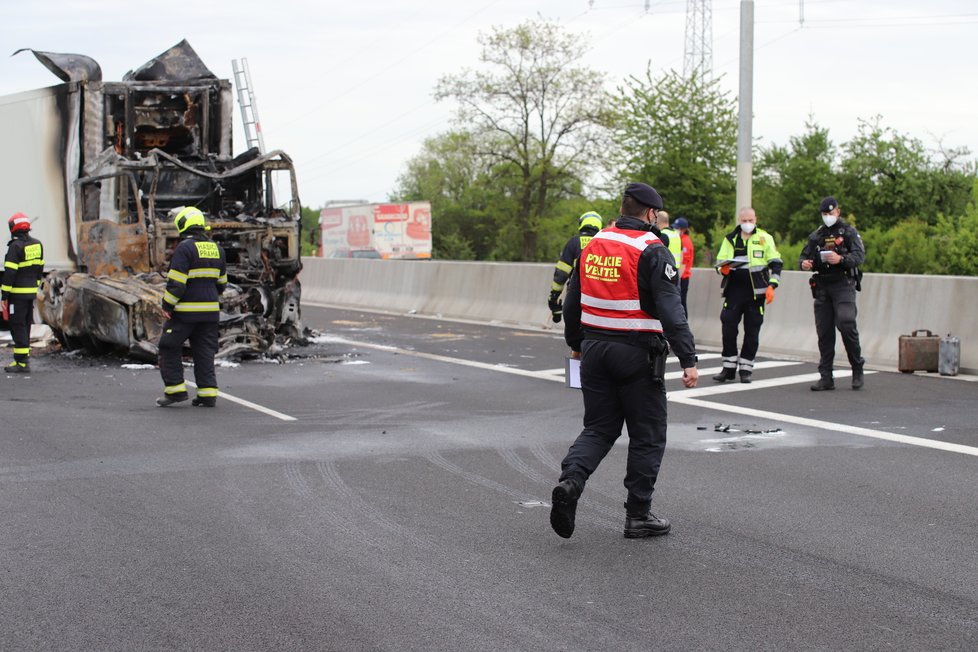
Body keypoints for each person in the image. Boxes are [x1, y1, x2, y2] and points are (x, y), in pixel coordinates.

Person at [551, 182, 699, 540]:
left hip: (595, 350)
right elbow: (670, 308)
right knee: (647, 434)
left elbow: (572, 303)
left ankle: (571, 482)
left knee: (599, 428)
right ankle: (638, 515)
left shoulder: (595, 243)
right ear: (651, 214)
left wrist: (576, 344)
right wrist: (688, 358)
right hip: (637, 353)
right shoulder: (652, 248)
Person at [156, 207, 228, 407]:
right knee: (204, 352)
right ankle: (207, 394)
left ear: (183, 225)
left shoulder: (184, 249)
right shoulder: (217, 249)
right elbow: (222, 284)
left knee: (168, 346)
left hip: (185, 314)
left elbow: (177, 283)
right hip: (210, 314)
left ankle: (175, 391)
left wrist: (167, 305)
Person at [800, 196, 865, 391]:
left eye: (831, 213)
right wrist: (805, 263)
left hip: (843, 283)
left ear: (838, 212)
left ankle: (857, 367)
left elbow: (859, 256)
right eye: (825, 214)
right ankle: (826, 376)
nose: (828, 217)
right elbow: (803, 256)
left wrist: (841, 259)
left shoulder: (849, 232)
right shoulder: (817, 235)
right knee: (824, 331)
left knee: (846, 323)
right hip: (822, 286)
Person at [711, 207, 783, 384]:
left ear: (756, 220)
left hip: (756, 294)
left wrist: (772, 285)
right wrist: (723, 269)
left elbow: (776, 263)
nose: (748, 224)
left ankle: (745, 369)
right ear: (739, 220)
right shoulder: (730, 239)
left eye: (751, 220)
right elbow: (720, 263)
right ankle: (728, 368)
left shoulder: (765, 238)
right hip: (734, 292)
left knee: (752, 331)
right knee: (728, 327)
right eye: (744, 221)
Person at [2, 213, 44, 373]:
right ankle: (24, 358)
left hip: (17, 295)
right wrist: (36, 286)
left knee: (17, 325)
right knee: (25, 325)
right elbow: (40, 268)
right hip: (30, 294)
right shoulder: (37, 244)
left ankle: (21, 362)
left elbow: (10, 273)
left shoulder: (15, 247)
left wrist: (4, 295)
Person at [548, 211, 603, 323]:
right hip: (599, 296)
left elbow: (561, 273)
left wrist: (554, 296)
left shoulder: (574, 242)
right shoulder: (604, 243)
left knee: (573, 331)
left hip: (576, 293)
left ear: (582, 224)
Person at [673, 217, 695, 315]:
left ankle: (684, 326)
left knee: (681, 303)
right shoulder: (679, 239)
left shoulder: (685, 241)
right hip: (681, 276)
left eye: (678, 228)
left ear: (683, 230)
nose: (675, 230)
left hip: (683, 277)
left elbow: (684, 262)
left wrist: (678, 279)